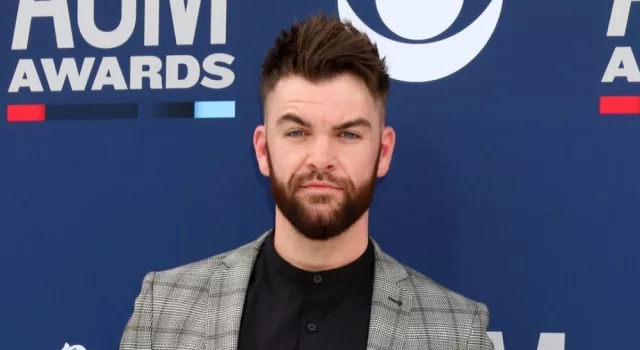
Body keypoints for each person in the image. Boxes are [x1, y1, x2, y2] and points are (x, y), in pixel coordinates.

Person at [119, 12, 494, 350]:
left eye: (348, 135)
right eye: (297, 132)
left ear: (383, 152)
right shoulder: (163, 310)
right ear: (264, 150)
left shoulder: (458, 332)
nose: (321, 159)